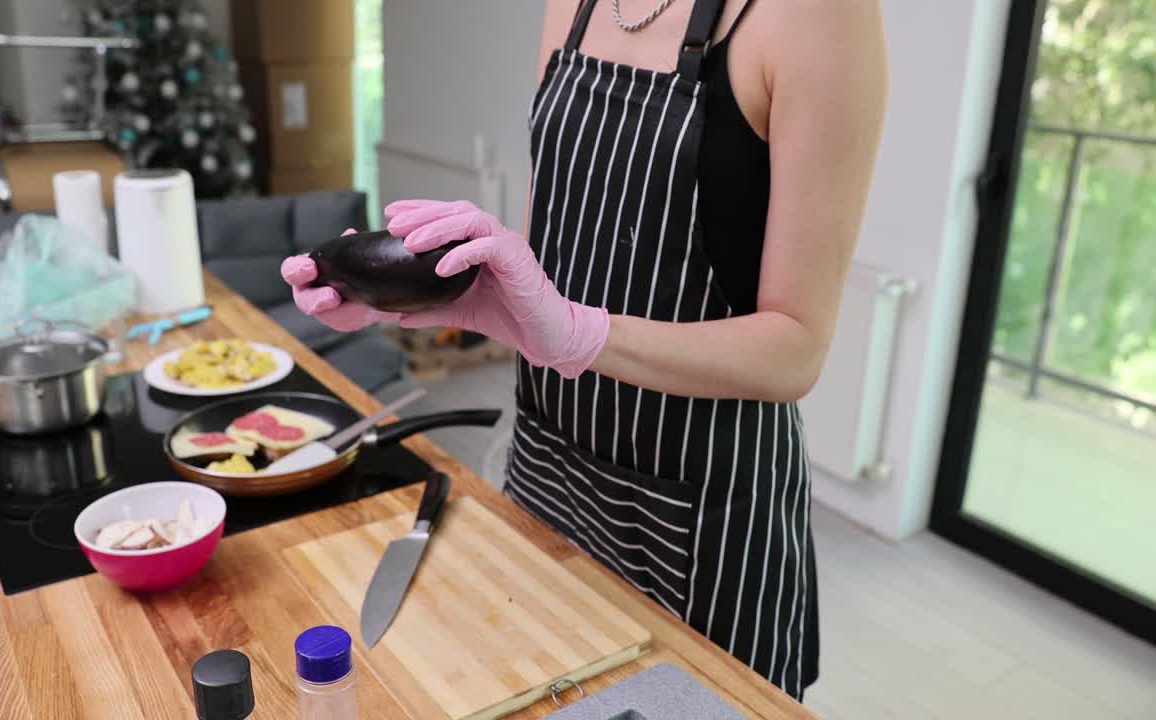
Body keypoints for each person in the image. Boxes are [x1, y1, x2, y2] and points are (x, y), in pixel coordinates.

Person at [281, 0, 887, 700]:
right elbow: (553, 257)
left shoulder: (819, 14)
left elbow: (797, 348)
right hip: (549, 466)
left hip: (699, 512)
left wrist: (582, 334)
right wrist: (428, 287)